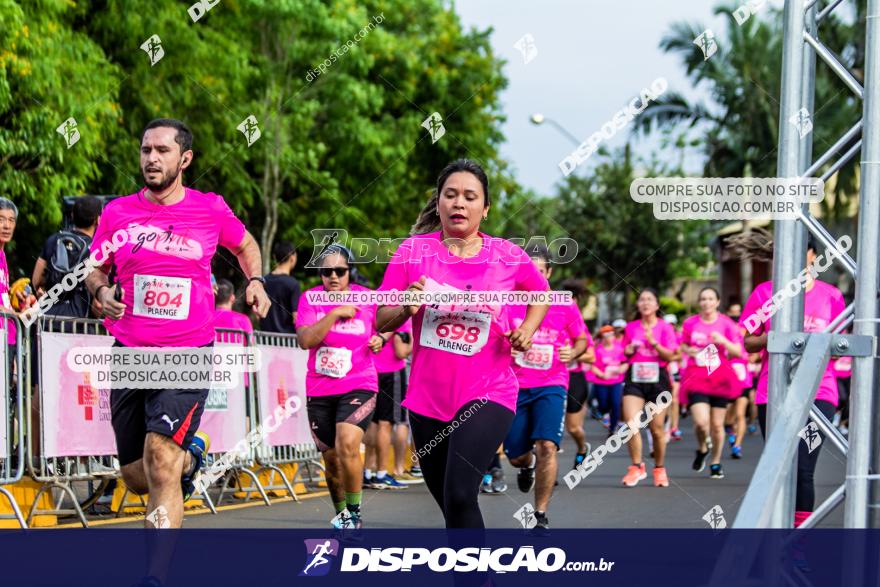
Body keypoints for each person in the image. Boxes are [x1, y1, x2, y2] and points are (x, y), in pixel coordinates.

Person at [84, 118, 271, 538]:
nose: (151, 158)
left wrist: (255, 280)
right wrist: (101, 291)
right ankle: (194, 456)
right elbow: (95, 267)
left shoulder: (209, 208)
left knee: (160, 458)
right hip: (130, 349)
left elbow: (245, 245)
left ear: (184, 158)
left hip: (186, 350)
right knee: (136, 475)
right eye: (146, 149)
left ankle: (155, 575)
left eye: (162, 150)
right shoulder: (117, 213)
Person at [375, 159, 549, 529]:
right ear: (437, 203)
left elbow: (541, 293)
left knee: (459, 493)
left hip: (489, 391)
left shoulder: (506, 255)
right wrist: (406, 305)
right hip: (428, 398)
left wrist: (529, 330)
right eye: (450, 195)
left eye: (470, 197)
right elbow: (381, 319)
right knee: (450, 506)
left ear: (484, 209)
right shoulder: (412, 252)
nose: (459, 203)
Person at [734, 230, 845, 527]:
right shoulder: (765, 293)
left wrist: (815, 345)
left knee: (803, 468)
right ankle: (772, 535)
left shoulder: (831, 296)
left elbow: (840, 348)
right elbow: (746, 341)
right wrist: (775, 338)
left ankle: (796, 542)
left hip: (819, 393)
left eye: (802, 250)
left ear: (812, 255)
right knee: (778, 468)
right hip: (774, 392)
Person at [296, 244, 385, 530]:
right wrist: (334, 314)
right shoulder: (310, 299)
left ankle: (355, 514)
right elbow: (306, 340)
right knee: (332, 462)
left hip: (359, 383)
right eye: (326, 271)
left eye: (340, 271)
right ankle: (342, 515)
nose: (333, 277)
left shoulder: (367, 298)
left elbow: (387, 324)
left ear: (350, 272)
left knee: (347, 443)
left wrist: (381, 339)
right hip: (320, 389)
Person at [504, 245, 588, 531]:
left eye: (540, 271)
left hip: (552, 384)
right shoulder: (506, 300)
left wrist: (573, 353)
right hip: (514, 386)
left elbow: (582, 340)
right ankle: (525, 467)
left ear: (549, 273)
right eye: (529, 271)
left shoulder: (564, 304)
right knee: (515, 456)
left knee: (547, 446)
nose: (535, 277)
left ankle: (540, 514)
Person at [679, 287, 743, 479]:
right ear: (699, 302)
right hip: (696, 375)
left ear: (717, 302)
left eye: (710, 299)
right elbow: (683, 344)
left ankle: (715, 462)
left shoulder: (727, 324)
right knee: (700, 422)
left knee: (716, 425)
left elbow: (738, 351)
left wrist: (723, 340)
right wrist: (688, 350)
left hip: (719, 376)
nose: (706, 302)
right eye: (703, 299)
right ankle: (702, 448)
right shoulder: (691, 323)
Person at [620, 288, 679, 488]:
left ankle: (659, 468)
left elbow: (671, 356)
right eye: (642, 300)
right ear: (638, 305)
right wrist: (627, 350)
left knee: (657, 429)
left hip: (658, 379)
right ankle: (636, 467)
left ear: (657, 305)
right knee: (631, 423)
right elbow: (623, 353)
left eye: (649, 299)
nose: (645, 303)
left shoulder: (665, 328)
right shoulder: (631, 327)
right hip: (635, 377)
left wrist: (654, 343)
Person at [363, 317, 416, 489]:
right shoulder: (401, 317)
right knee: (388, 424)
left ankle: (367, 473)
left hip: (371, 370)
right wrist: (415, 341)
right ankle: (382, 474)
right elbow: (401, 351)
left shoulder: (374, 310)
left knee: (372, 422)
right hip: (391, 372)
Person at [32, 195, 103, 319]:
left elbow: (36, 281)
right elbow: (98, 304)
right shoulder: (97, 250)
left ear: (72, 216)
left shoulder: (53, 240)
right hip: (79, 324)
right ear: (98, 220)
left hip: (46, 320)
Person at [588, 325, 627, 443]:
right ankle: (604, 413)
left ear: (614, 336)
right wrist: (601, 374)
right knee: (603, 404)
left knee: (616, 403)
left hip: (616, 381)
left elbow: (626, 362)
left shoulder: (620, 348)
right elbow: (592, 365)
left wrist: (621, 369)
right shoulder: (598, 350)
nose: (608, 338)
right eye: (605, 335)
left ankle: (612, 428)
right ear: (602, 337)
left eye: (610, 335)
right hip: (601, 382)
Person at [259, 241, 300, 334]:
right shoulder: (293, 284)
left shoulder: (263, 281)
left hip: (265, 339)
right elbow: (296, 317)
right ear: (292, 258)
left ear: (274, 257)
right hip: (287, 341)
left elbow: (258, 313)